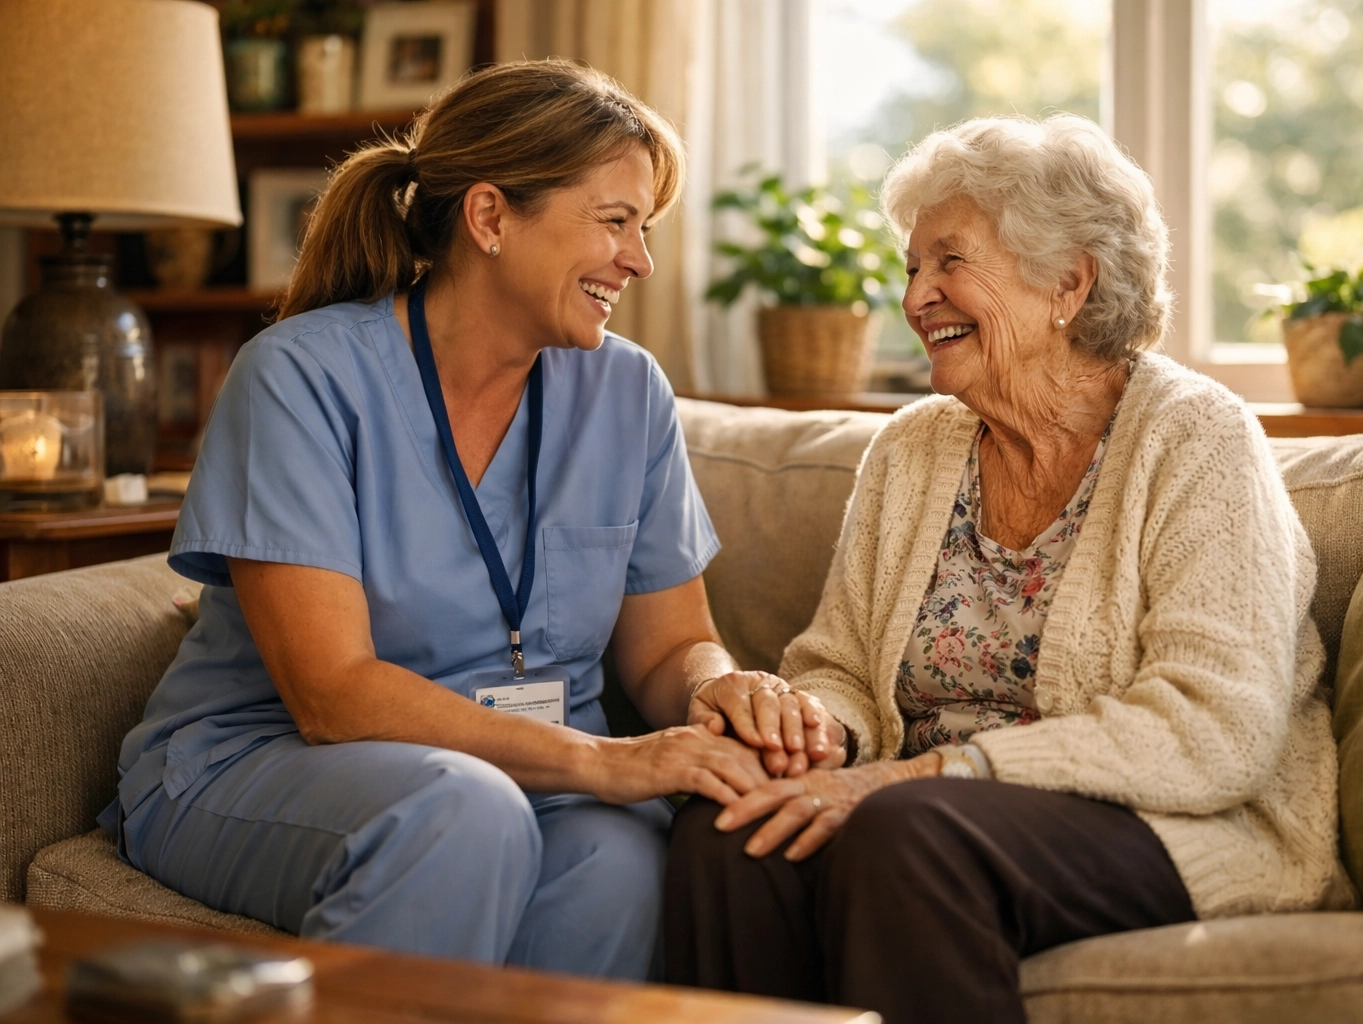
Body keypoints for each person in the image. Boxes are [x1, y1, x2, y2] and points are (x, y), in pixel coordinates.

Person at [100, 60, 841, 980]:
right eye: (615, 222)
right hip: (269, 758)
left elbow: (667, 646)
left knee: (623, 863)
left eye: (643, 230)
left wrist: (716, 688)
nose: (639, 262)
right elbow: (333, 696)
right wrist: (607, 763)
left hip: (538, 775)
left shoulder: (628, 391)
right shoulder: (300, 378)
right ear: (490, 218)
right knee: (462, 811)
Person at [665, 114, 1347, 1024]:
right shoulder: (911, 450)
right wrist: (816, 735)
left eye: (950, 262)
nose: (916, 298)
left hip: (1169, 820)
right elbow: (837, 664)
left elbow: (1212, 728)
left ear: (1068, 282)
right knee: (729, 822)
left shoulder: (1196, 438)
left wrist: (931, 776)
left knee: (905, 833)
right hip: (928, 810)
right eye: (912, 269)